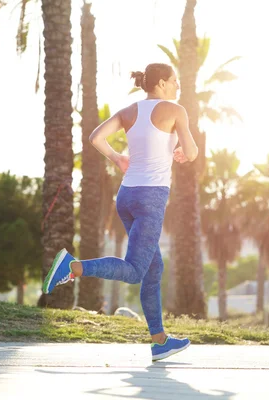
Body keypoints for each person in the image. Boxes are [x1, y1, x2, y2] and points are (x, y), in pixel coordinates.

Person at [42, 63, 198, 362]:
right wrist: (182, 152)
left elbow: (96, 138)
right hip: (151, 197)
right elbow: (191, 153)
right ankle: (73, 267)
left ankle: (160, 341)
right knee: (136, 270)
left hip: (126, 196)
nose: (178, 86)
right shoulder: (175, 110)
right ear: (163, 83)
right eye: (175, 81)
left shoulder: (129, 111)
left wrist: (117, 158)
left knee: (153, 269)